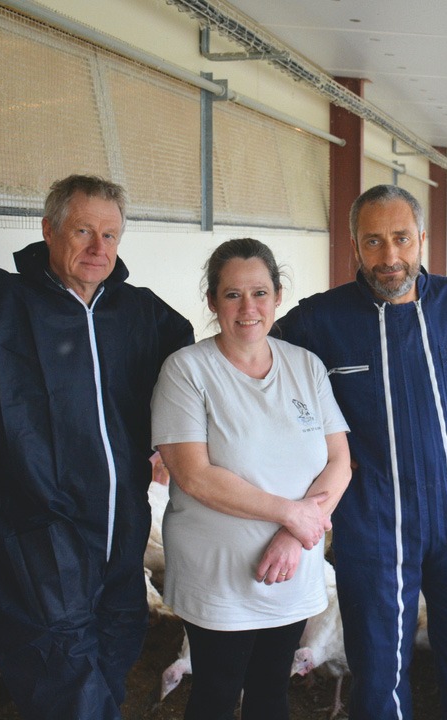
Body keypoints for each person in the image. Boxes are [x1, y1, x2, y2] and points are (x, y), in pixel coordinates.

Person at [0, 154, 194, 719]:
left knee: (112, 655)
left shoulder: (142, 315)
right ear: (49, 229)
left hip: (121, 529)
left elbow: (189, 378)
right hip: (35, 536)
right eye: (83, 230)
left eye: (110, 234)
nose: (98, 248)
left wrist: (168, 440)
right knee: (66, 681)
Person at [276, 184, 447, 719]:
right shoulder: (321, 320)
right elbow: (267, 373)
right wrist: (323, 450)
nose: (389, 256)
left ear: (422, 238)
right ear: (355, 246)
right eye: (373, 242)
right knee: (377, 668)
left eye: (401, 238)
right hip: (372, 517)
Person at [152, 238, 352, 720]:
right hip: (218, 575)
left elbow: (340, 461)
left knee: (270, 694)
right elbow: (193, 474)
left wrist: (293, 533)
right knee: (217, 695)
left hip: (291, 567)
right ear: (211, 302)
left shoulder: (305, 366)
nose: (248, 308)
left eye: (260, 293)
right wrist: (291, 514)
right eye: (232, 295)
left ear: (278, 296)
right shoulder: (187, 371)